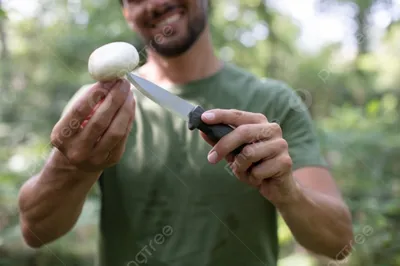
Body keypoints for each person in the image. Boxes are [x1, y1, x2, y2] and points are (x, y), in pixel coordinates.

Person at [17, 0, 354, 265]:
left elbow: (340, 243)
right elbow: (34, 231)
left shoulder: (273, 102)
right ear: (125, 12)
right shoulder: (98, 109)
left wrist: (289, 192)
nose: (156, 1)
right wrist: (73, 168)